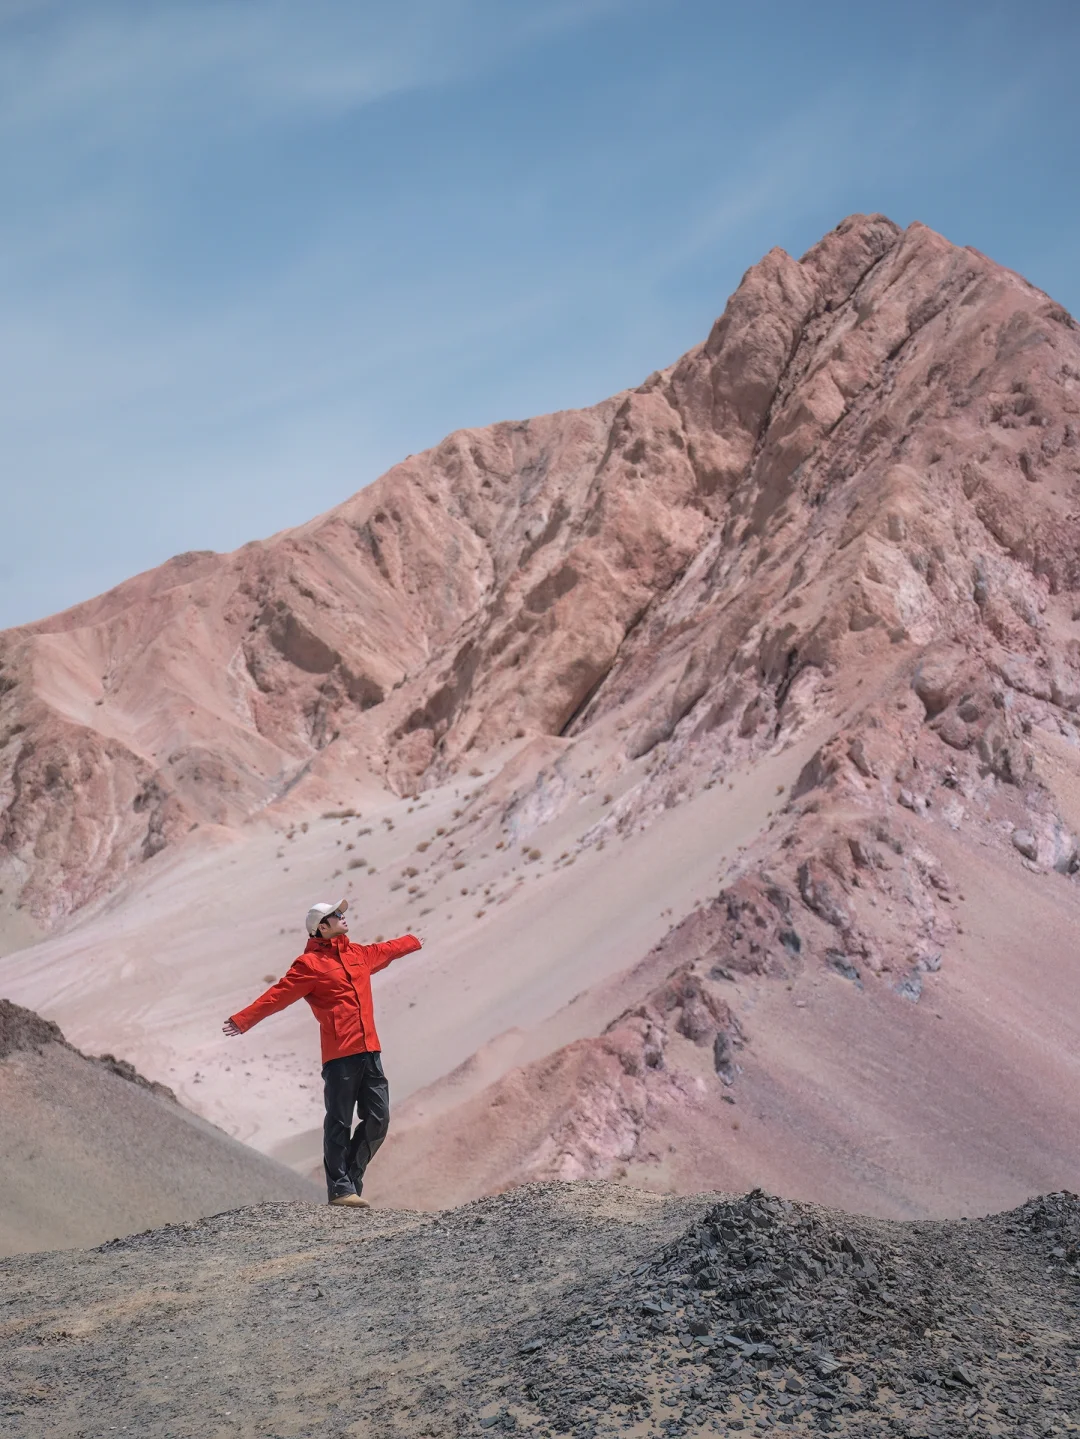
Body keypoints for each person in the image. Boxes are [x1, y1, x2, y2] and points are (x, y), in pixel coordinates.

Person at [223, 898, 422, 1208]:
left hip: (370, 1050)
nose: (343, 917)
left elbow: (386, 950)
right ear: (322, 927)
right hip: (339, 1055)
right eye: (335, 915)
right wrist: (242, 1020)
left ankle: (350, 1180)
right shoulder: (309, 965)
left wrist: (414, 941)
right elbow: (277, 996)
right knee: (339, 1122)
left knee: (378, 1119)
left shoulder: (358, 955)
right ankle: (341, 1189)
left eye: (341, 913)